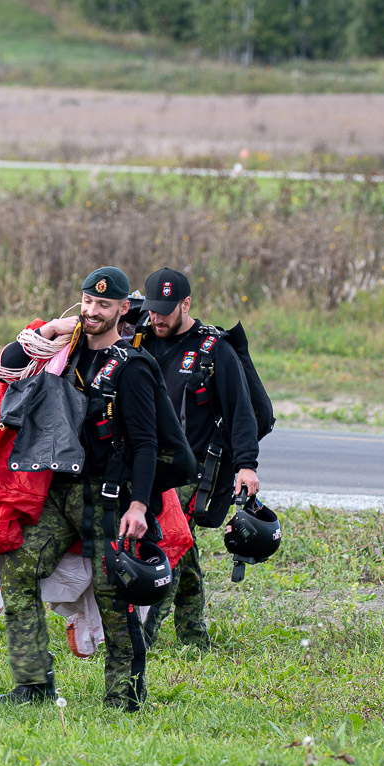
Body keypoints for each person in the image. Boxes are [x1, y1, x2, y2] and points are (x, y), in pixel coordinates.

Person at [0, 266, 159, 711]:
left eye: (103, 305)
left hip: (109, 497)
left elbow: (147, 443)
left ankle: (123, 695)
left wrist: (140, 505)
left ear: (123, 309)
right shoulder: (61, 351)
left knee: (115, 596)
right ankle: (32, 683)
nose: (92, 311)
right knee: (16, 571)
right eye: (87, 301)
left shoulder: (133, 367)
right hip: (61, 491)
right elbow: (5, 367)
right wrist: (48, 329)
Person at [139, 267, 261, 650]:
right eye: (153, 310)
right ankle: (195, 638)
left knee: (169, 549)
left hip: (191, 471)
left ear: (186, 304)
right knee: (183, 552)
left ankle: (143, 636)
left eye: (166, 311)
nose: (157, 318)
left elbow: (241, 411)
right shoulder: (139, 338)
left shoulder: (213, 350)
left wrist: (246, 465)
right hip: (145, 465)